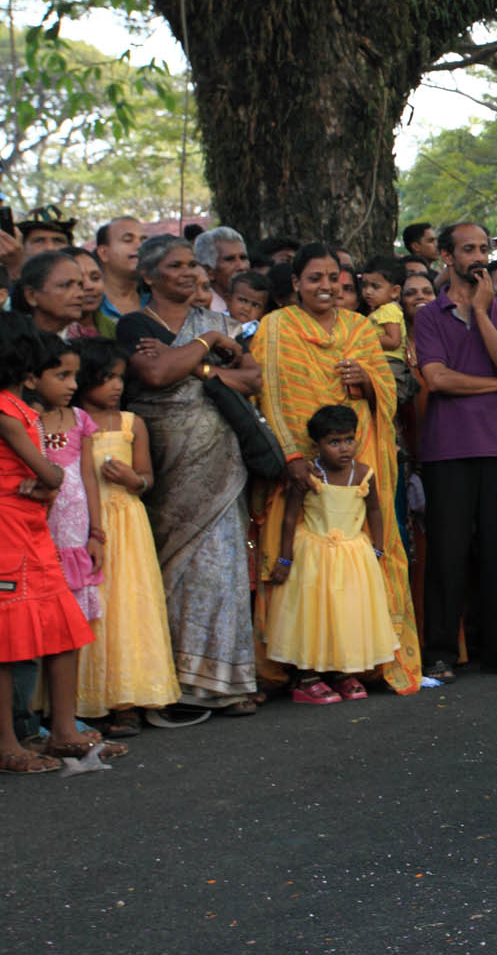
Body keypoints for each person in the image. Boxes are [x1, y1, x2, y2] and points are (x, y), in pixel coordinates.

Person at [249, 243, 421, 696]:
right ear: (296, 284)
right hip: (300, 468)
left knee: (349, 568)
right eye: (315, 279)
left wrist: (366, 381)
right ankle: (301, 666)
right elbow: (270, 395)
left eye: (335, 280)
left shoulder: (360, 328)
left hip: (353, 464)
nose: (325, 287)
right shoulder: (275, 328)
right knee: (302, 565)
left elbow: (385, 389)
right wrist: (292, 456)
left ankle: (352, 660)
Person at [113, 234, 262, 716]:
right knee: (172, 566)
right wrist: (209, 348)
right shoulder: (135, 323)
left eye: (191, 265)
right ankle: (172, 683)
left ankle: (226, 684)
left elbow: (254, 377)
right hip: (164, 454)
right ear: (149, 276)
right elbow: (153, 376)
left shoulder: (217, 321)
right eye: (175, 265)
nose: (189, 272)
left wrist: (198, 366)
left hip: (219, 455)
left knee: (222, 566)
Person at [409, 222, 497, 680]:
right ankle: (440, 651)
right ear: (447, 256)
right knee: (447, 552)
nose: (478, 256)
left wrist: (482, 313)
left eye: (483, 248)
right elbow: (438, 379)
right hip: (447, 449)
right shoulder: (429, 315)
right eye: (467, 249)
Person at [0, 317, 120, 774]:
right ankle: (9, 742)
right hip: (9, 531)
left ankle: (64, 731)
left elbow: (47, 479)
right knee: (6, 642)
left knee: (62, 624)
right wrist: (46, 481)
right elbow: (50, 473)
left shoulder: (18, 407)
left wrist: (45, 484)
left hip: (31, 528)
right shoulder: (7, 411)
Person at [71, 339, 180, 736]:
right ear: (85, 380)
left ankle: (129, 699)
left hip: (128, 525)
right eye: (106, 378)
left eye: (120, 378)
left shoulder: (133, 423)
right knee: (95, 606)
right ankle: (89, 699)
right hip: (85, 524)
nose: (116, 386)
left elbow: (147, 478)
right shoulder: (71, 421)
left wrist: (134, 480)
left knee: (129, 607)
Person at [266, 405, 400, 705]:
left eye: (349, 440)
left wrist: (377, 547)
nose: (344, 448)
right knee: (313, 614)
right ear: (317, 445)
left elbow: (374, 510)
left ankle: (341, 670)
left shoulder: (365, 473)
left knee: (347, 613)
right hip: (313, 556)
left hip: (354, 555)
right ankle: (307, 676)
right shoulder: (310, 476)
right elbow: (290, 519)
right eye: (334, 442)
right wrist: (285, 559)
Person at [27, 339, 101, 622]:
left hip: (77, 529)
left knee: (71, 612)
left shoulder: (80, 419)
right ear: (32, 379)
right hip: (41, 525)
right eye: (62, 376)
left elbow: (89, 478)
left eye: (74, 376)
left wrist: (96, 533)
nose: (72, 385)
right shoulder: (28, 422)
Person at [359, 257, 413, 402]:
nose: (368, 291)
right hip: (380, 362)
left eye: (375, 287)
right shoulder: (379, 311)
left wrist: (362, 338)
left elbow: (393, 340)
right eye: (365, 285)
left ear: (395, 291)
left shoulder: (389, 310)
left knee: (386, 401)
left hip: (390, 364)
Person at [11, 251, 86, 340]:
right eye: (66, 285)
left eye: (80, 285)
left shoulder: (91, 342)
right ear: (31, 295)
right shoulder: (9, 341)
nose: (80, 294)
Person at [95, 217, 144, 328]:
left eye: (143, 240)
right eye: (127, 240)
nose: (140, 246)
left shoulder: (156, 299)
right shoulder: (89, 302)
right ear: (103, 253)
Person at [192, 227, 249, 316]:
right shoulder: (198, 311)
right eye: (230, 259)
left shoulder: (261, 305)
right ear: (208, 271)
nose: (241, 266)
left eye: (243, 258)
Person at [61, 247, 106, 340]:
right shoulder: (51, 335)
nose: (89, 286)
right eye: (79, 280)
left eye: (95, 277)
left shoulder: (117, 327)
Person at [227, 271, 270, 343]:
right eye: (242, 300)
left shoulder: (258, 332)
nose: (247, 308)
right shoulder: (216, 318)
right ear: (229, 300)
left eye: (255, 305)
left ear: (262, 313)